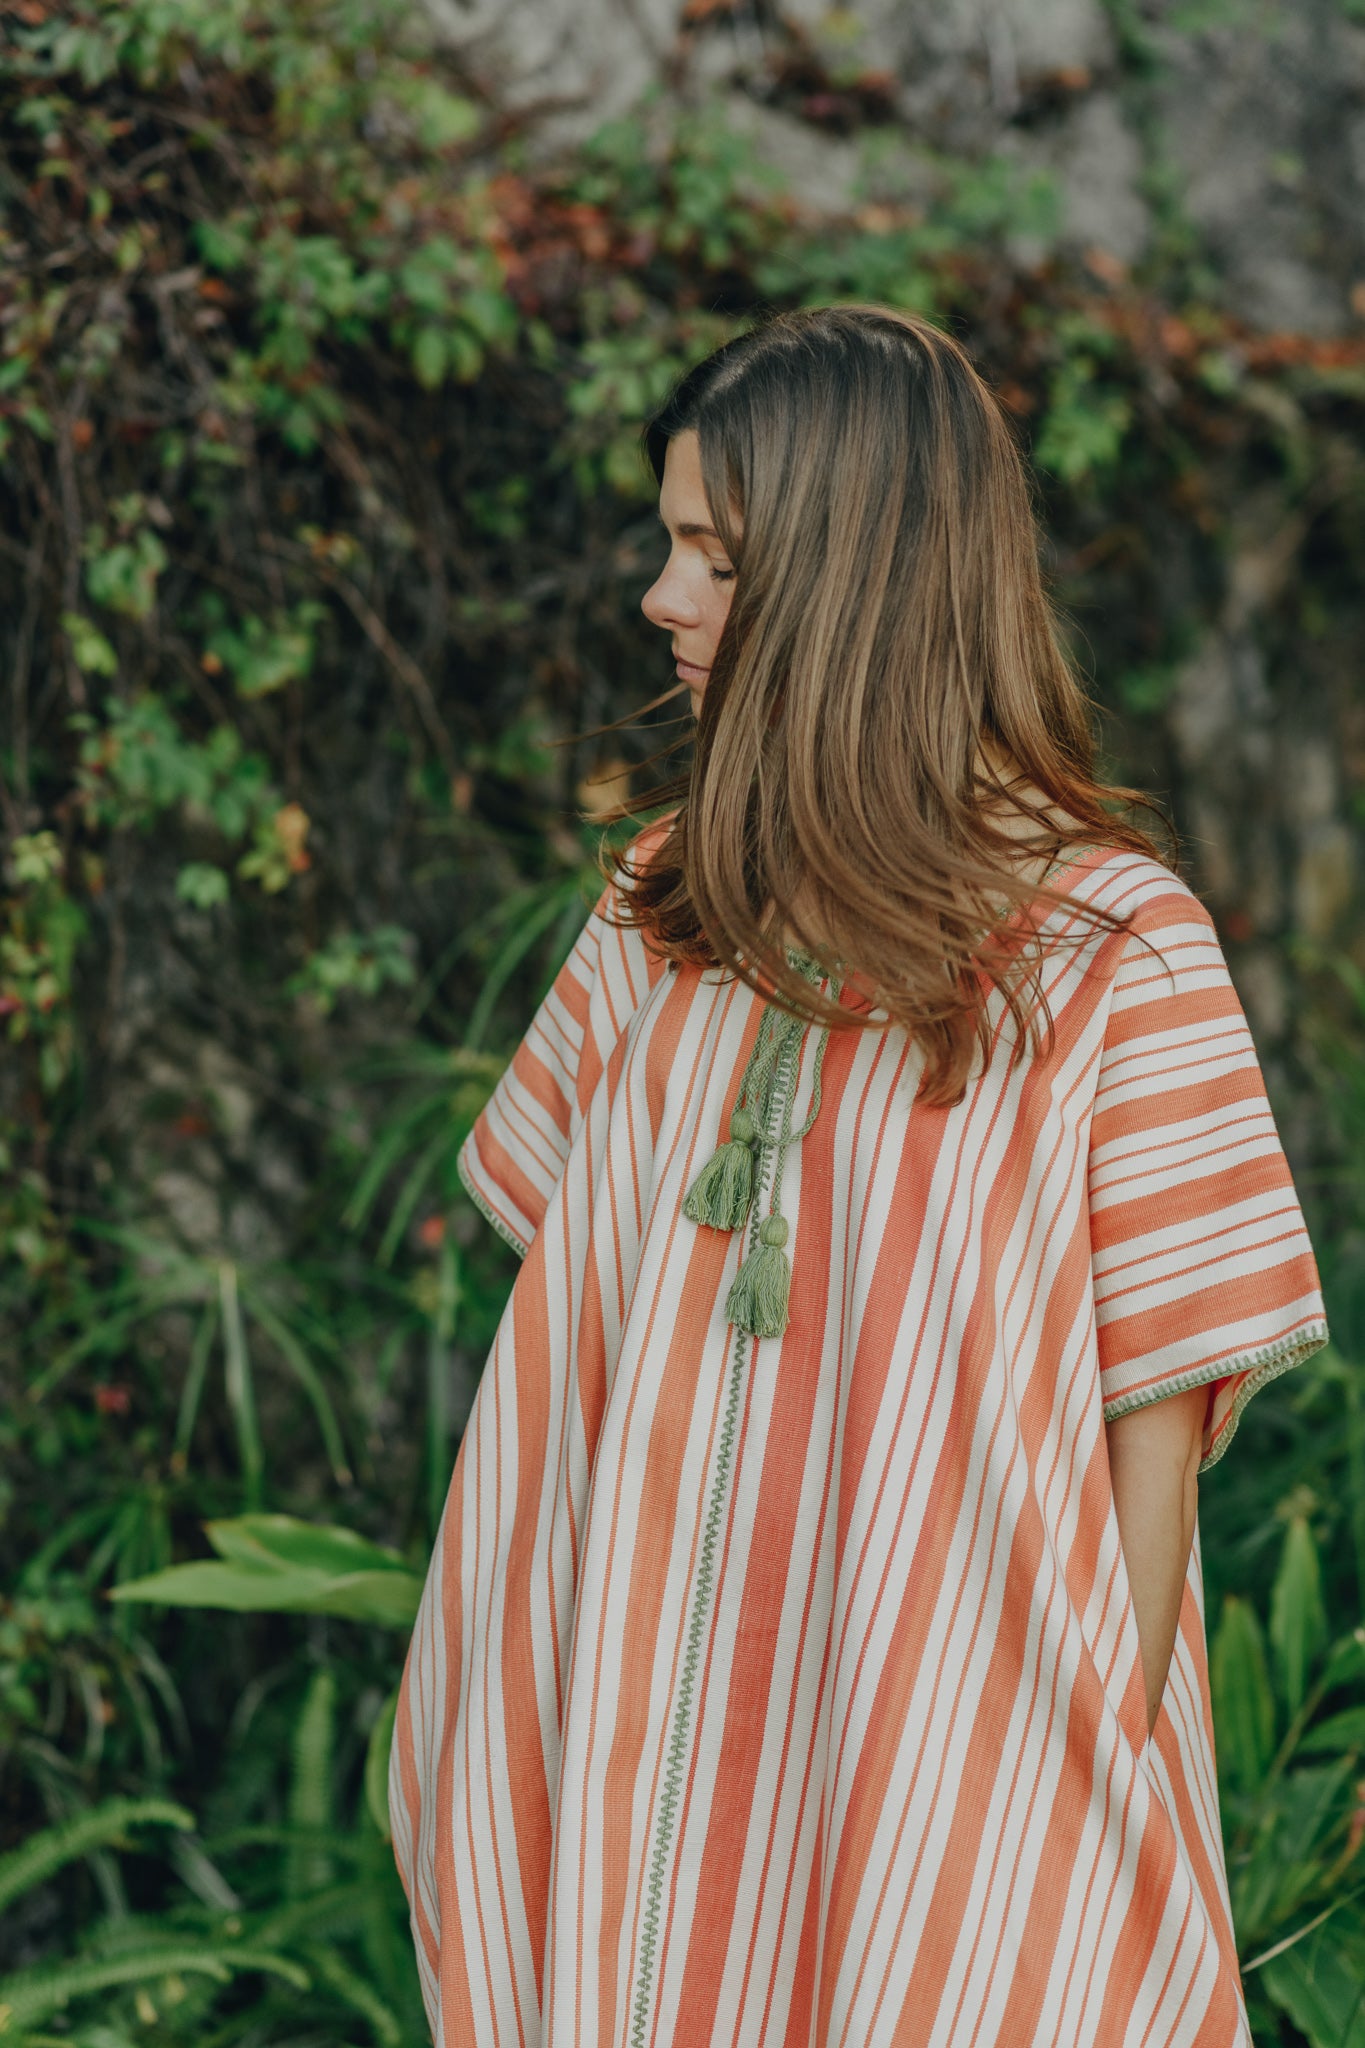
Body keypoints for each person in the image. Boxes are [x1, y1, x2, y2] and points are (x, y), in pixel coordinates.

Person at [390, 306, 1327, 2047]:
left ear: (857, 585)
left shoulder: (1117, 957)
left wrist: (1021, 1867)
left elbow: (1148, 1480)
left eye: (713, 557)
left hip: (941, 1827)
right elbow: (564, 1364)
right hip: (611, 1797)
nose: (660, 600)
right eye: (668, 542)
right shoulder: (656, 912)